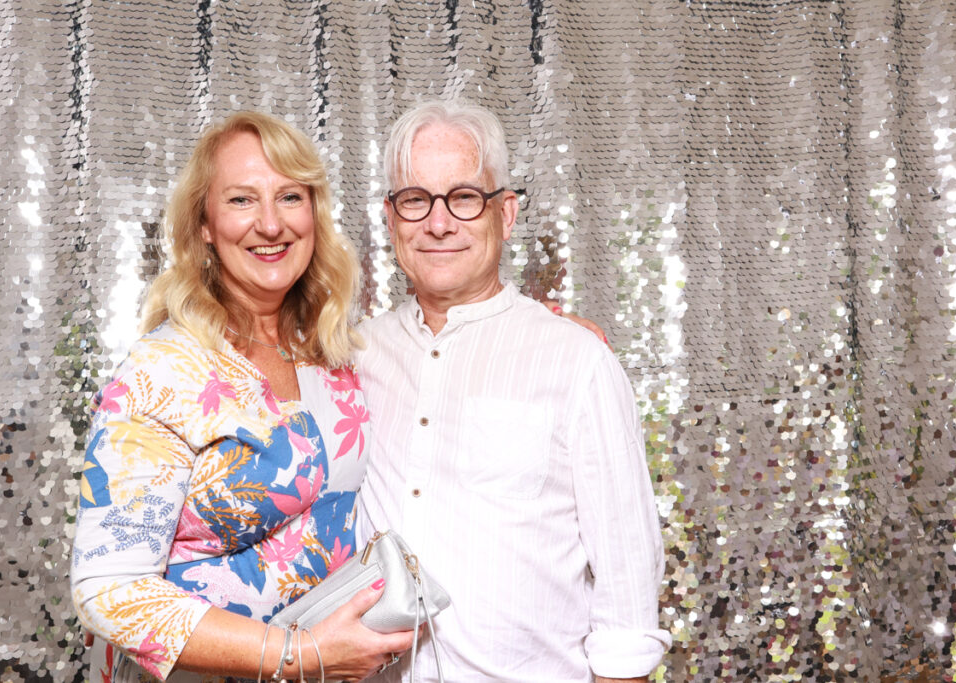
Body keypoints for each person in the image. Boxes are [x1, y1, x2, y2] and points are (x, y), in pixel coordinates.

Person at [69, 111, 413, 682]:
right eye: (241, 200)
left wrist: (523, 324)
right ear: (204, 224)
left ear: (314, 214)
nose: (271, 224)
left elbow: (432, 362)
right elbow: (109, 589)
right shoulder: (163, 370)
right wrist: (297, 656)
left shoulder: (330, 353)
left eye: (289, 196)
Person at [355, 100, 671, 682]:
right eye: (416, 199)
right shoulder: (351, 359)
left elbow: (628, 592)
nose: (439, 222)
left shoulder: (576, 360)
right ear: (391, 217)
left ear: (506, 214)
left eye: (465, 197)